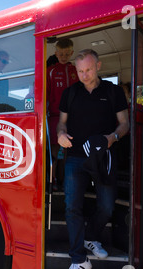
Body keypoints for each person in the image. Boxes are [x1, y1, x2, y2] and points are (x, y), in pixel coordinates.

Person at [57, 49, 129, 269]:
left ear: (98, 66)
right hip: (76, 157)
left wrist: (113, 138)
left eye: (88, 69)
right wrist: (60, 134)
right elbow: (62, 123)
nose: (84, 75)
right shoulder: (70, 93)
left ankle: (91, 237)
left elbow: (124, 123)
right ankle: (79, 259)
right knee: (72, 207)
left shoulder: (113, 91)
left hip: (104, 156)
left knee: (107, 207)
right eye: (79, 71)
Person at [47, 39, 79, 189]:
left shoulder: (75, 71)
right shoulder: (51, 71)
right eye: (61, 54)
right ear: (56, 54)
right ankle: (52, 181)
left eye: (67, 54)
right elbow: (46, 94)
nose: (64, 56)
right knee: (55, 151)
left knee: (68, 152)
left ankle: (65, 181)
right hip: (55, 116)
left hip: (73, 118)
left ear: (71, 53)